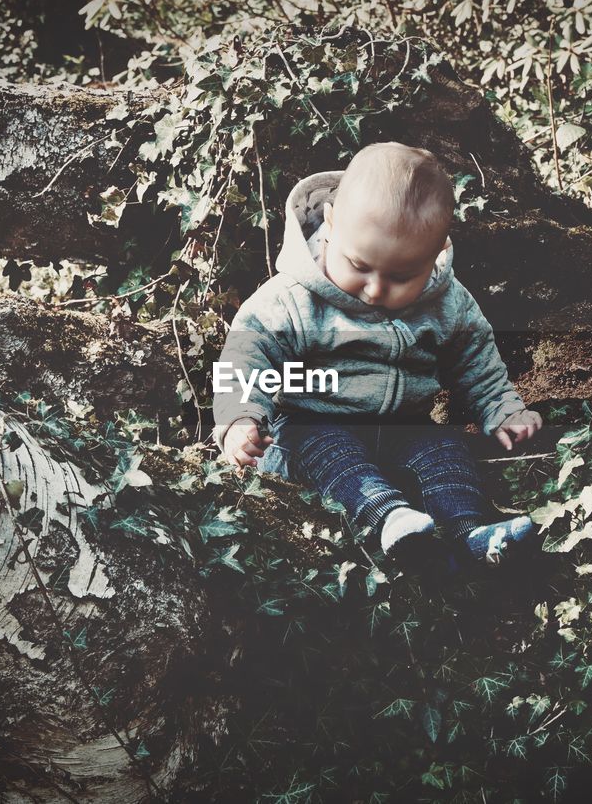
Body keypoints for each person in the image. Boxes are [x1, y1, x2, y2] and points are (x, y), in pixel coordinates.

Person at [212, 142, 542, 566]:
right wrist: (240, 419)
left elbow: (477, 360)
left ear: (437, 252)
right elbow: (246, 354)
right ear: (331, 223)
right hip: (309, 427)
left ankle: (472, 533)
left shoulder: (447, 300)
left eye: (402, 276)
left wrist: (503, 409)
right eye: (359, 265)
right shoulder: (291, 298)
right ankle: (391, 523)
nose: (376, 288)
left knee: (444, 450)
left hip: (407, 425)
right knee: (332, 455)